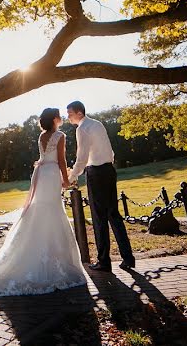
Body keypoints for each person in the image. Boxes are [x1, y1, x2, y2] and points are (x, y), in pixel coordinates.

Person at [0, 108, 88, 296]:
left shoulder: (41, 136)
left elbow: (43, 158)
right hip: (51, 174)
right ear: (54, 119)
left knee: (39, 210)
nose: (61, 118)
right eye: (59, 115)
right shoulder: (60, 135)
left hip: (41, 174)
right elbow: (61, 161)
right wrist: (66, 180)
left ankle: (32, 253)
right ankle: (52, 260)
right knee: (52, 211)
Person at [66, 100, 135, 272]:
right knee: (114, 215)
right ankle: (128, 258)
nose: (68, 117)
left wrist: (72, 176)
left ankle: (104, 261)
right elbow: (110, 152)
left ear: (79, 113)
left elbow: (82, 158)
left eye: (70, 113)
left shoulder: (82, 128)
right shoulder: (97, 124)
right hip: (109, 170)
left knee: (99, 218)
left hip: (96, 173)